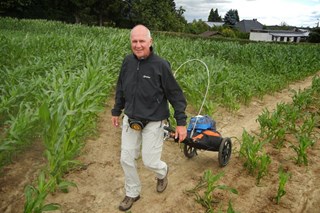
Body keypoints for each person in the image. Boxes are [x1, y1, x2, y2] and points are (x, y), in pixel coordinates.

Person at [111, 24, 187, 211]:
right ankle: (132, 193)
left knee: (150, 162)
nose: (138, 45)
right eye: (134, 41)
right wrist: (116, 110)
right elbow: (121, 87)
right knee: (126, 158)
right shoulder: (127, 62)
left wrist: (181, 123)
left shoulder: (161, 65)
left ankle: (162, 173)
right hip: (131, 119)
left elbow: (175, 95)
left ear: (150, 42)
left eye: (142, 41)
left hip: (154, 121)